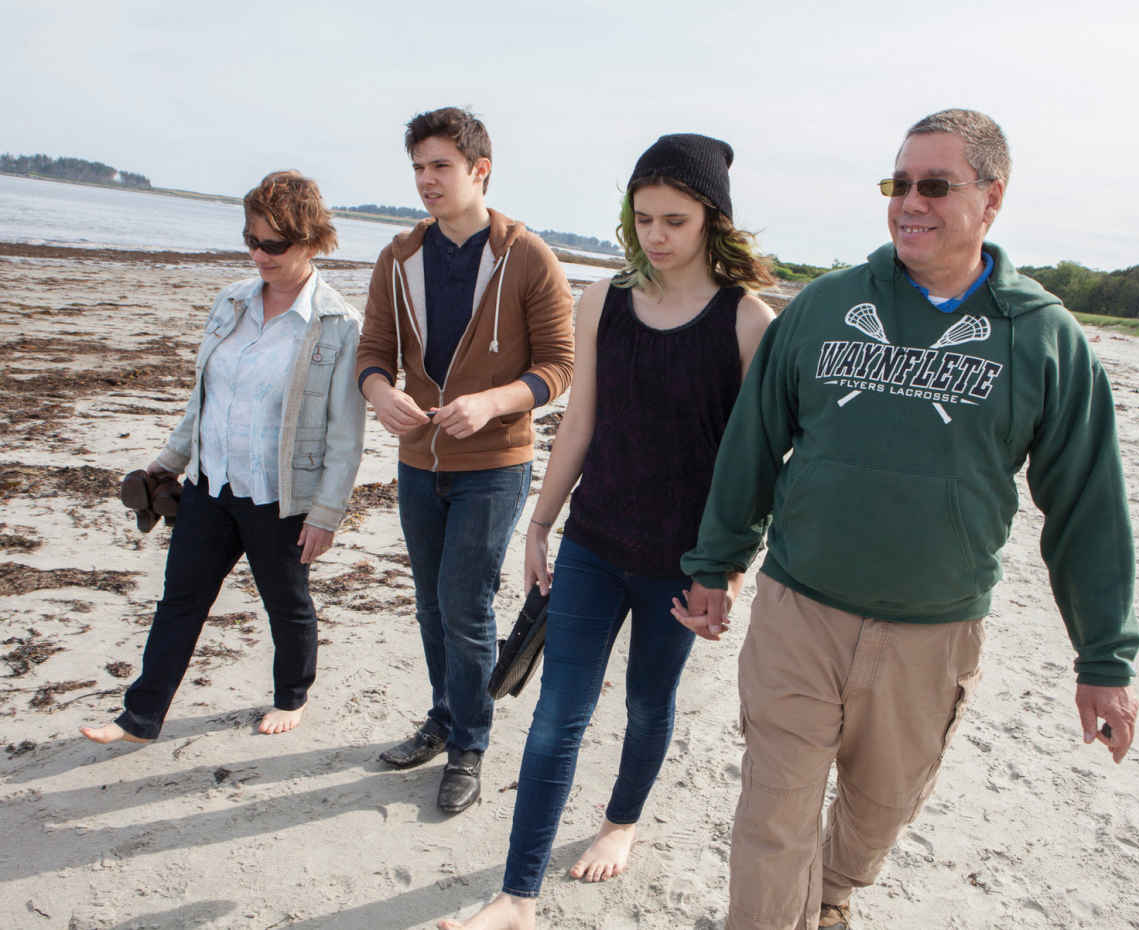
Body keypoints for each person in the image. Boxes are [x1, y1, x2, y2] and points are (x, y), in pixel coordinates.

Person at [674, 110, 1139, 930]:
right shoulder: (824, 309)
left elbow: (1087, 507)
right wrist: (715, 564)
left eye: (935, 185)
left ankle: (832, 895)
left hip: (932, 632)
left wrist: (1103, 656)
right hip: (800, 611)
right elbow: (752, 444)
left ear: (992, 199)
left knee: (879, 807)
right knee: (773, 818)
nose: (909, 203)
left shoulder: (1042, 339)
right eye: (899, 183)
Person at [438, 133, 775, 930]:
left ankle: (621, 821)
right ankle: (516, 897)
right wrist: (540, 524)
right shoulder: (603, 301)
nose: (656, 235)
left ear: (713, 221)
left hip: (681, 564)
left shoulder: (749, 322)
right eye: (644, 217)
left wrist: (726, 575)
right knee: (558, 714)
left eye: (676, 220)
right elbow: (579, 421)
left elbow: (753, 463)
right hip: (593, 542)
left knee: (650, 704)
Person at [81, 171, 365, 744]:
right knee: (179, 600)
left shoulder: (338, 326)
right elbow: (204, 400)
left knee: (287, 604)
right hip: (212, 485)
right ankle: (140, 717)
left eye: (273, 245)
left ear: (311, 241)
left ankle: (292, 695)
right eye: (251, 240)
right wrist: (167, 462)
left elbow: (346, 434)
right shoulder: (231, 301)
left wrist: (326, 513)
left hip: (278, 494)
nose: (258, 254)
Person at [357, 107, 575, 813]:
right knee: (429, 603)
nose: (427, 179)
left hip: (495, 463)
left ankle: (469, 745)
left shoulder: (527, 256)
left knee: (464, 604)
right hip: (419, 460)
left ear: (480, 169)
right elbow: (371, 356)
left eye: (440, 166)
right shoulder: (399, 257)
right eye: (418, 167)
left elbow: (559, 367)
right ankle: (444, 716)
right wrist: (379, 390)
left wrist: (493, 402)